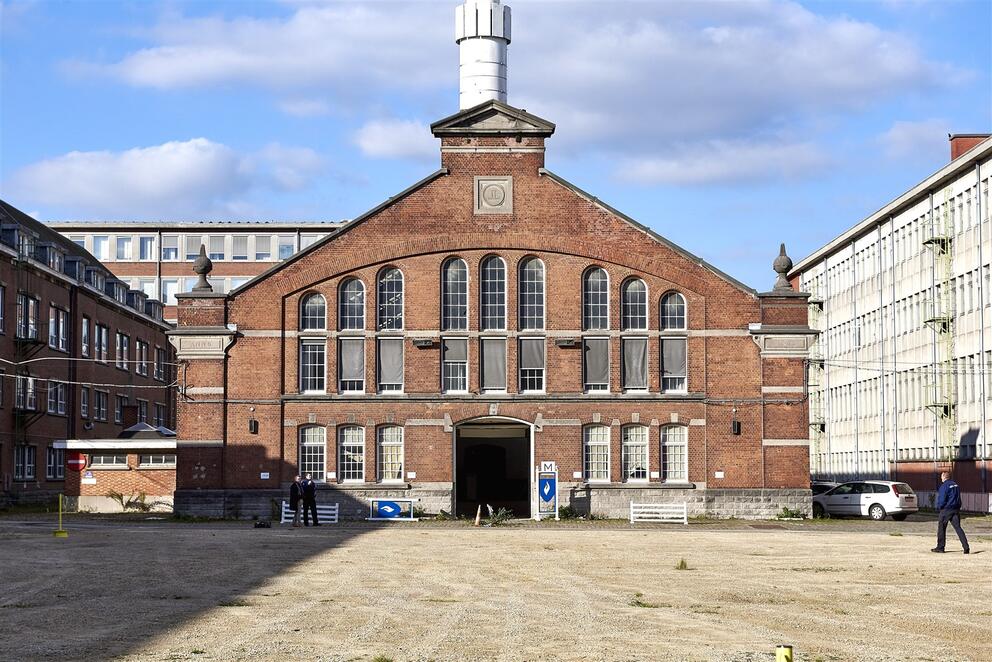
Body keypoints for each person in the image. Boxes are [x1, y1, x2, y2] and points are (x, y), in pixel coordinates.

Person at [932, 471, 969, 554]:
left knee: (941, 528)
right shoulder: (956, 485)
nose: (941, 478)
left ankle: (940, 547)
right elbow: (958, 497)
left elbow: (942, 499)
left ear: (944, 477)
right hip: (955, 509)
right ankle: (966, 547)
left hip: (946, 510)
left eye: (941, 476)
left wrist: (940, 507)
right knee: (958, 528)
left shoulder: (944, 486)